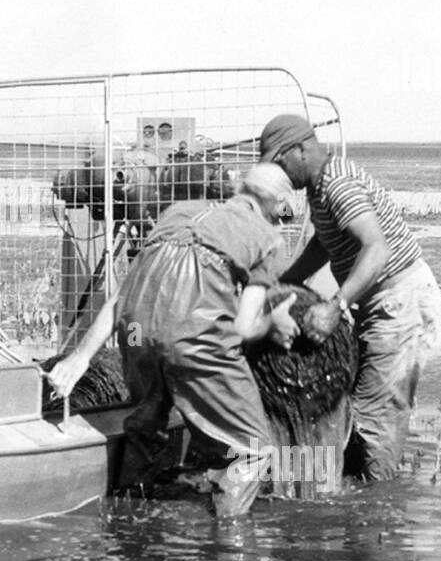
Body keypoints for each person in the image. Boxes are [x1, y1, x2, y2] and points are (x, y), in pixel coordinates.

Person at [48, 163, 300, 516]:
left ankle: (127, 523)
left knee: (145, 424)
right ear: (278, 204)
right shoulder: (270, 239)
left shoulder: (177, 212)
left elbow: (123, 296)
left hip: (136, 334)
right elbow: (243, 328)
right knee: (252, 451)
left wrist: (80, 357)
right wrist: (273, 321)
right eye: (286, 209)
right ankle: (229, 549)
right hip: (194, 337)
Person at [258, 114, 441, 481]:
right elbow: (324, 244)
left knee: (376, 418)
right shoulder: (320, 187)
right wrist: (280, 281)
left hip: (400, 300)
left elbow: (376, 249)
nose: (279, 174)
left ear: (301, 149)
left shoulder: (338, 184)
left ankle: (378, 515)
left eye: (280, 162)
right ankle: (371, 500)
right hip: (385, 301)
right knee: (364, 409)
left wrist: (334, 305)